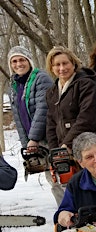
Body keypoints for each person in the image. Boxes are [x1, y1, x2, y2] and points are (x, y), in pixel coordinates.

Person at [7, 46, 62, 204]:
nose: (18, 64)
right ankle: (65, 214)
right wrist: (27, 143)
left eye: (22, 60)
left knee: (61, 176)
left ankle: (74, 214)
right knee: (52, 180)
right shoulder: (15, 85)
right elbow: (18, 117)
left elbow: (43, 109)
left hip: (51, 136)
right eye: (14, 61)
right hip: (36, 141)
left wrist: (33, 138)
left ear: (29, 61)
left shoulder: (41, 78)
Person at [45, 46, 96, 150]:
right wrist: (55, 150)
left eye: (65, 63)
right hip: (64, 150)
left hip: (89, 146)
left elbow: (87, 117)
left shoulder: (86, 84)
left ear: (73, 64)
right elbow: (51, 125)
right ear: (51, 68)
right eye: (57, 65)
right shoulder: (51, 93)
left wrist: (67, 144)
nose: (62, 68)